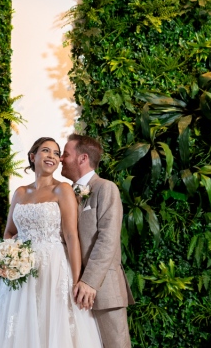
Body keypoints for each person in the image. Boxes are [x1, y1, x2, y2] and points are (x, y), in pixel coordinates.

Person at [0, 137, 102, 347]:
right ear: (33, 156)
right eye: (46, 151)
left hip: (54, 270)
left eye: (56, 153)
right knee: (21, 328)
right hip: (23, 273)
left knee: (53, 326)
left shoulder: (63, 189)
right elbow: (9, 232)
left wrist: (76, 281)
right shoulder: (20, 193)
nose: (52, 156)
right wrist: (11, 258)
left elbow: (71, 237)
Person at [60, 133, 135, 348]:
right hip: (72, 290)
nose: (61, 159)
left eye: (66, 154)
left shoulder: (105, 188)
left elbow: (108, 239)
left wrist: (90, 282)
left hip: (103, 289)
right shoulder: (64, 194)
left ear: (82, 158)